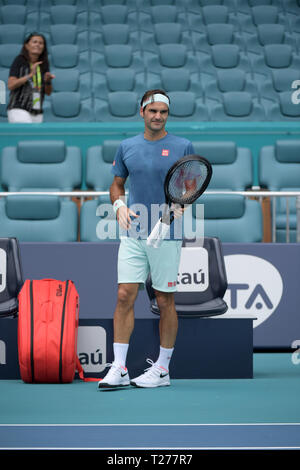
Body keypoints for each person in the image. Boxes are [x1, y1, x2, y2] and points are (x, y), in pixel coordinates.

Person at [98, 89, 195, 389]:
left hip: (167, 233)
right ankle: (119, 368)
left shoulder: (182, 145)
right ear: (142, 112)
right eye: (152, 111)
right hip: (133, 231)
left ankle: (163, 370)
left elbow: (190, 186)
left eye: (163, 112)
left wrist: (178, 207)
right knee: (124, 295)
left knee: (165, 299)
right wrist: (118, 206)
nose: (157, 116)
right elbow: (117, 184)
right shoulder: (127, 146)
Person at [7, 32, 55, 123]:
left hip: (37, 110)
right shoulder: (19, 60)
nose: (38, 44)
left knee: (34, 137)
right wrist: (30, 75)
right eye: (35, 42)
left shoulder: (43, 64)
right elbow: (11, 85)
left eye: (41, 43)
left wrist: (48, 81)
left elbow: (48, 93)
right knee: (25, 135)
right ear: (27, 45)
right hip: (19, 108)